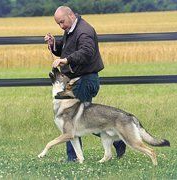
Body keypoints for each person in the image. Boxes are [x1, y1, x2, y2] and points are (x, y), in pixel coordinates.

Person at [44, 6, 126, 162]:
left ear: (71, 15)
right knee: (81, 120)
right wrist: (54, 43)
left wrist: (66, 60)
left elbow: (87, 52)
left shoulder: (84, 30)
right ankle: (117, 140)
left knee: (73, 119)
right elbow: (67, 48)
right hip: (75, 80)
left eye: (62, 22)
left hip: (85, 80)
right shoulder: (71, 29)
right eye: (58, 24)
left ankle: (74, 158)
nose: (61, 26)